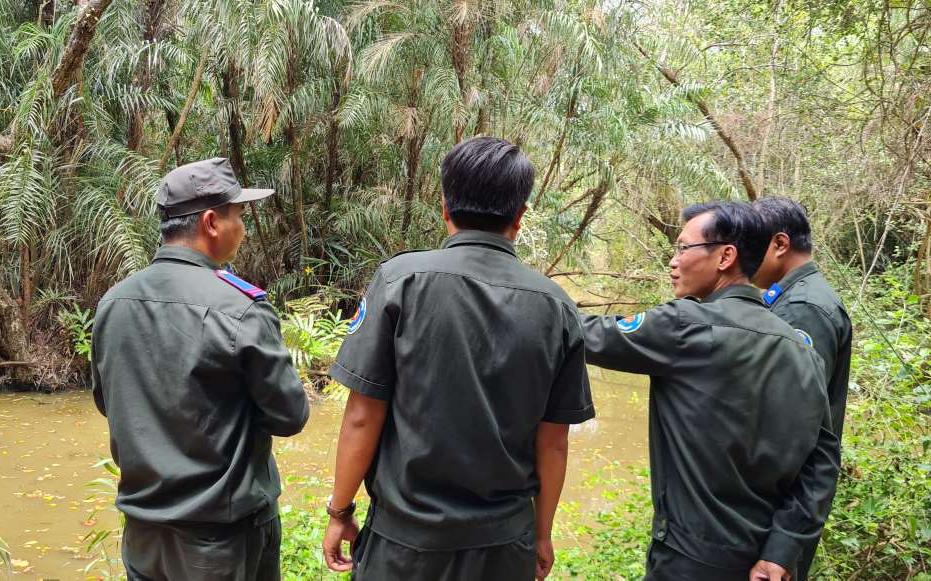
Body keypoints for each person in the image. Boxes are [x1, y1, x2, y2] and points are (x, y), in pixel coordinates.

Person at [320, 137, 594, 580]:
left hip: (404, 545)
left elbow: (362, 415)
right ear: (520, 216)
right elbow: (553, 441)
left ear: (445, 206)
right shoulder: (556, 306)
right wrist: (541, 535)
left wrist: (340, 510)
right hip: (503, 548)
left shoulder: (400, 281)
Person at [579, 201, 840, 581]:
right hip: (763, 561)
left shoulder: (686, 325)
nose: (673, 261)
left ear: (725, 257)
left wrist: (528, 294)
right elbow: (822, 463)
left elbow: (582, 334)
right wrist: (781, 551)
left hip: (690, 560)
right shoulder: (802, 350)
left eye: (683, 248)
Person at [91, 157, 310, 581]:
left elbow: (108, 401)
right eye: (239, 215)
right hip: (219, 541)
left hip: (143, 534)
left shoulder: (114, 302)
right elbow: (290, 416)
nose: (242, 228)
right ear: (211, 222)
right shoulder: (240, 307)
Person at [751, 197, 853, 580]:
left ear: (780, 244)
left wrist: (783, 545)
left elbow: (804, 438)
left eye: (750, 244)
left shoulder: (803, 310)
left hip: (773, 523)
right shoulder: (792, 300)